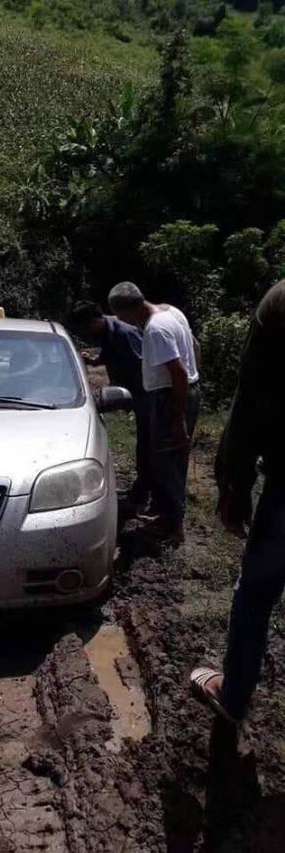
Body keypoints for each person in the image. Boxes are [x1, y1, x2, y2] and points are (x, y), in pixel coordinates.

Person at [190, 279, 285, 724]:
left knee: (256, 592)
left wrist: (234, 484)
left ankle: (234, 694)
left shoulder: (280, 300)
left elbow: (251, 400)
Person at [107, 282, 200, 544]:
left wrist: (178, 417)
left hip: (170, 397)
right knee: (174, 458)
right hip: (186, 391)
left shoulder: (156, 330)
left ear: (126, 311)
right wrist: (196, 382)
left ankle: (173, 526)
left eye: (121, 317)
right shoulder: (172, 312)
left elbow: (178, 373)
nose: (123, 322)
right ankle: (169, 517)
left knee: (166, 462)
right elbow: (196, 347)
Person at [69, 300, 152, 510]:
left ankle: (146, 494)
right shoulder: (107, 331)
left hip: (148, 395)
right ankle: (143, 489)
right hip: (137, 395)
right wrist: (95, 360)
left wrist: (136, 397)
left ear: (95, 320)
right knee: (145, 445)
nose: (86, 333)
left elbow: (144, 365)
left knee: (149, 446)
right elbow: (110, 352)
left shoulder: (124, 333)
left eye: (86, 327)